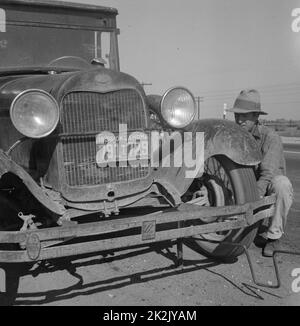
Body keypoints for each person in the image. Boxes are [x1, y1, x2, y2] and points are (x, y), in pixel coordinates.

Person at [227, 89, 294, 257]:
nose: (239, 120)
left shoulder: (271, 138)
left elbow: (267, 176)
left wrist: (249, 204)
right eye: (237, 115)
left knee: (282, 184)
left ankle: (274, 237)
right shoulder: (235, 138)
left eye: (245, 116)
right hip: (247, 187)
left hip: (265, 187)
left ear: (256, 116)